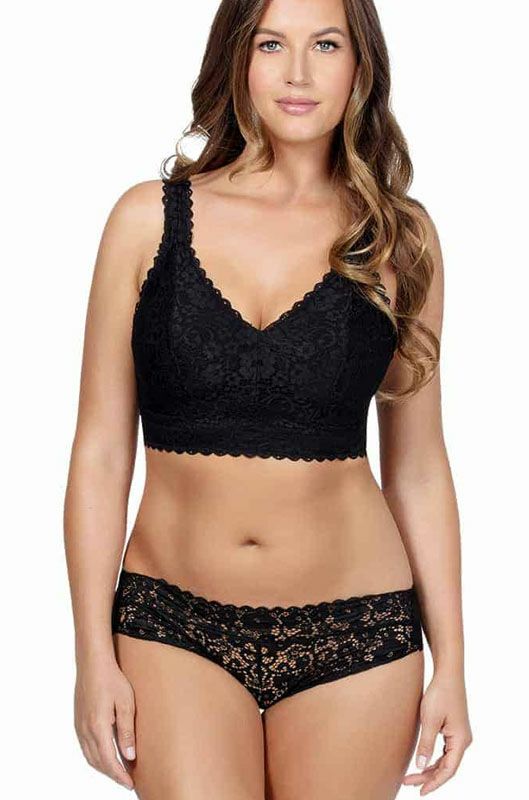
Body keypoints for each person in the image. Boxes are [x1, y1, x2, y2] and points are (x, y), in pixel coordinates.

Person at [64, 0, 472, 797]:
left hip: (357, 632)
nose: (297, 73)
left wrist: (451, 663)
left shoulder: (398, 238)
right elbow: (101, 451)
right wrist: (90, 653)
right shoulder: (146, 221)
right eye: (270, 44)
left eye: (326, 45)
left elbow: (418, 468)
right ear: (236, 59)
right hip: (172, 622)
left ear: (360, 66)